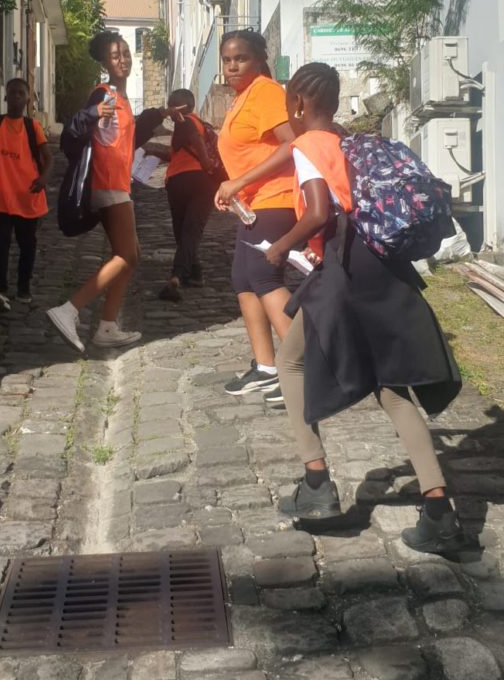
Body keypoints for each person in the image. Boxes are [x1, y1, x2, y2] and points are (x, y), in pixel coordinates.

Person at [266, 62, 465, 555]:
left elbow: (318, 210)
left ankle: (316, 483)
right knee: (391, 386)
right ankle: (439, 510)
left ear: (297, 103)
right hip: (379, 263)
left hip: (346, 268)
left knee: (290, 361)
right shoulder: (349, 140)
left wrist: (281, 247)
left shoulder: (309, 145)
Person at [45, 30, 184, 353]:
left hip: (118, 183)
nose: (123, 59)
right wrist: (93, 114)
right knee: (126, 255)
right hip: (107, 183)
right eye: (115, 55)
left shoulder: (120, 99)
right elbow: (73, 132)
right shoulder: (104, 95)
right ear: (105, 61)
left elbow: (126, 140)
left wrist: (161, 115)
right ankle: (69, 309)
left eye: (125, 53)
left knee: (130, 255)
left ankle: (107, 326)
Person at [213, 29, 296, 401]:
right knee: (243, 279)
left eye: (240, 58)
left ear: (259, 60)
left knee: (264, 277)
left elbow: (292, 143)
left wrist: (240, 181)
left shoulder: (266, 92)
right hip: (252, 204)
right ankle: (266, 367)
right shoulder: (241, 98)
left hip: (276, 199)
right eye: (227, 60)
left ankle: (304, 367)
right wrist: (231, 189)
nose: (232, 66)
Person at [0, 78, 53, 312]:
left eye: (21, 93)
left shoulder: (32, 127)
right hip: (0, 195)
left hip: (27, 195)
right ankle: (0, 290)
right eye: (12, 93)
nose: (16, 97)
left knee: (27, 244)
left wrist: (43, 179)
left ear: (27, 98)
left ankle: (24, 287)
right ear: (5, 97)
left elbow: (48, 157)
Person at [155, 89, 218, 303]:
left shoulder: (187, 122)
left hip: (186, 182)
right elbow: (175, 155)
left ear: (182, 107)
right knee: (187, 231)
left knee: (185, 231)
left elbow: (195, 140)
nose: (170, 110)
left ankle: (177, 276)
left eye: (173, 105)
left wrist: (206, 162)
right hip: (195, 183)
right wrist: (150, 151)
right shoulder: (193, 125)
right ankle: (194, 272)